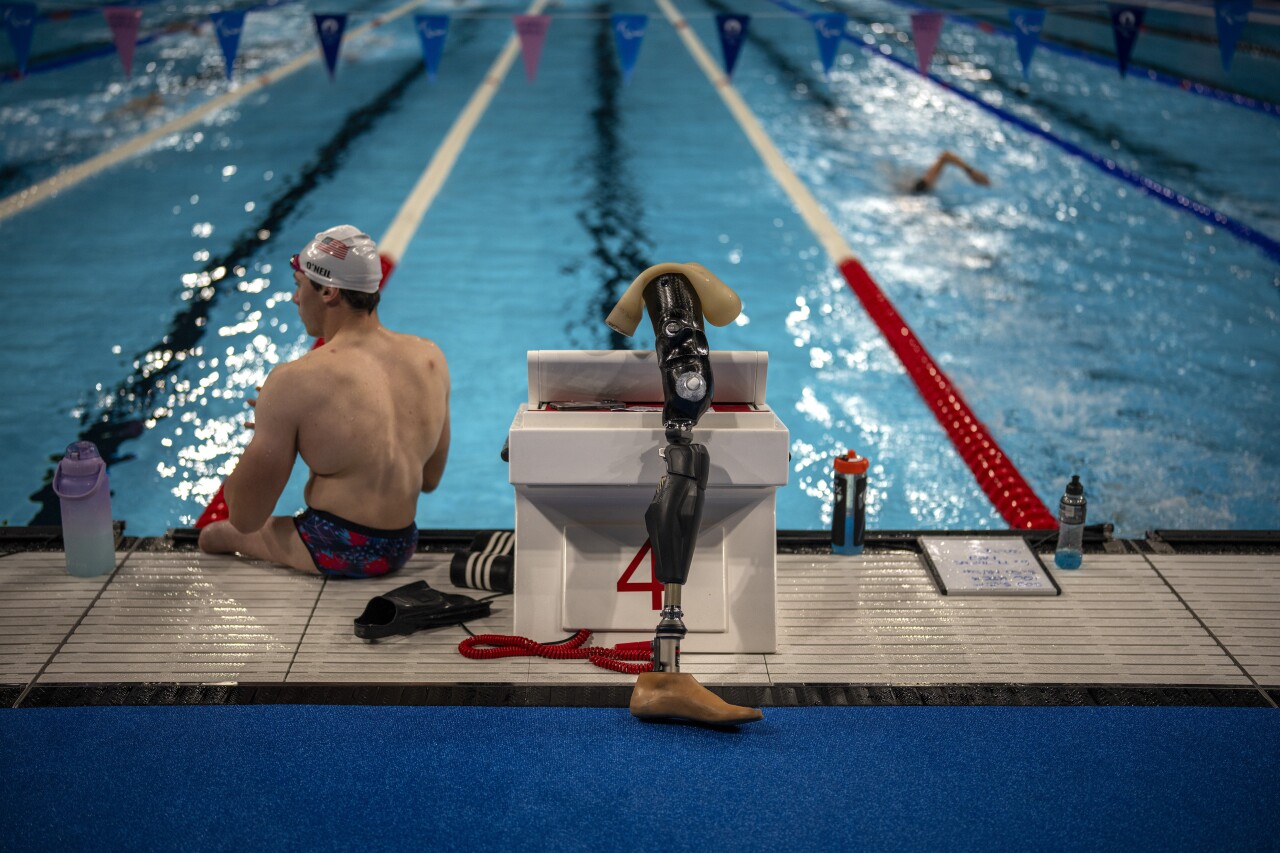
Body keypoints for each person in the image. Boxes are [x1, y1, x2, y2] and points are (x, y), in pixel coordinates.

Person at [197, 225, 451, 578]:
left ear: (329, 291)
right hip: (402, 545)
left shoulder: (294, 380)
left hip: (333, 548)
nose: (295, 299)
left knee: (213, 535)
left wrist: (271, 427)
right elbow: (430, 479)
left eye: (299, 286)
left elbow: (244, 516)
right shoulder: (430, 357)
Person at [910, 150, 990, 193]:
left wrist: (971, 172)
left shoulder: (923, 185)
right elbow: (945, 156)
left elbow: (945, 156)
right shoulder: (922, 187)